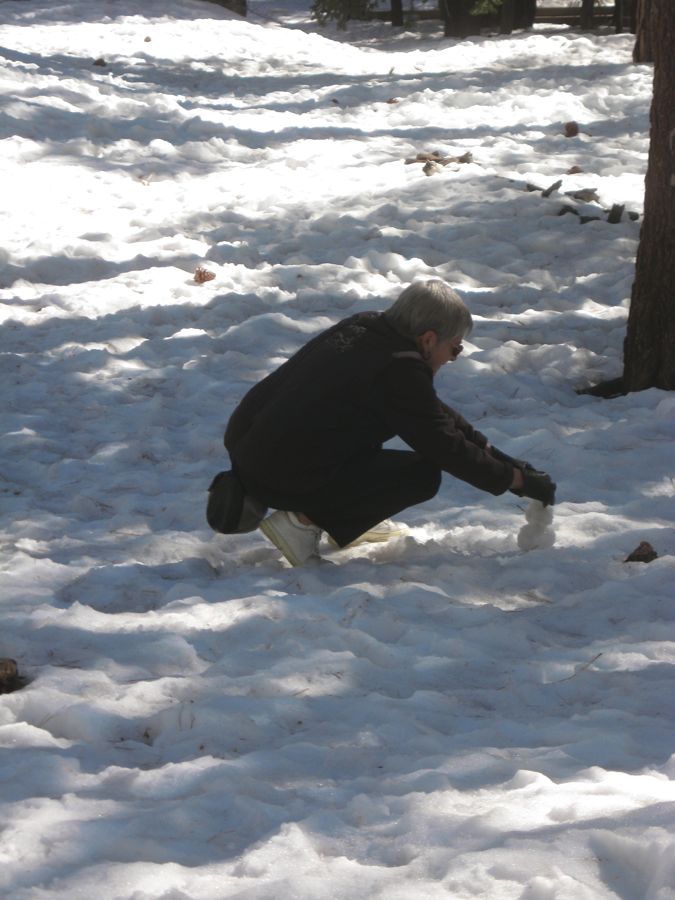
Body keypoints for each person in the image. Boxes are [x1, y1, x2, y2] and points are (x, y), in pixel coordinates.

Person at [222, 279, 555, 566]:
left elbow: (431, 412)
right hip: (278, 473)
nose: (453, 358)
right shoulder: (399, 370)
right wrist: (514, 481)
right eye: (455, 349)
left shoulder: (367, 328)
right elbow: (442, 446)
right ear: (428, 339)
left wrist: (495, 453)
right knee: (421, 475)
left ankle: (340, 519)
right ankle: (302, 522)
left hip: (250, 450)